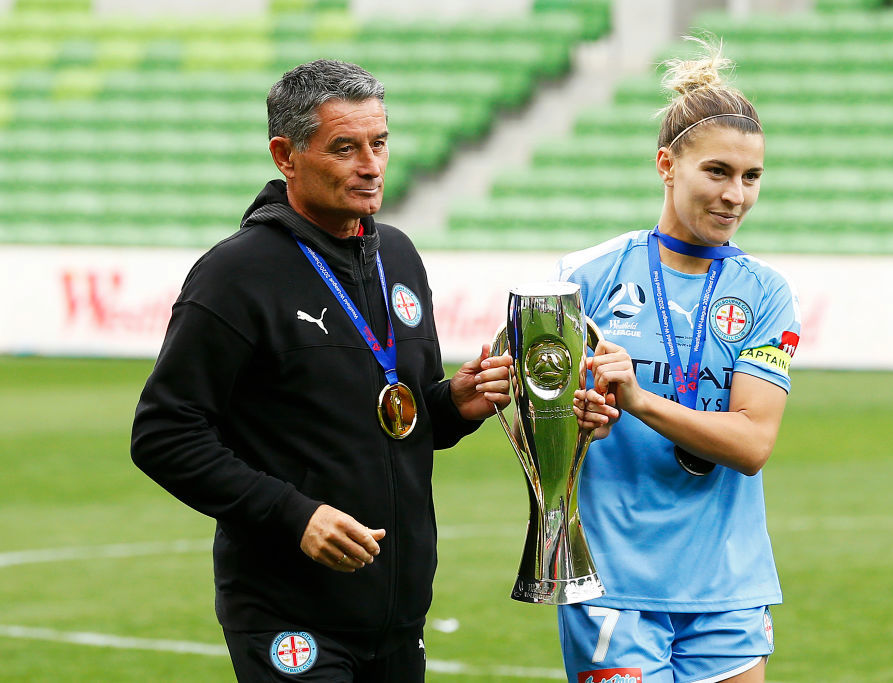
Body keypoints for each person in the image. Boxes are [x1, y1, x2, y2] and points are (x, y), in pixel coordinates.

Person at [130, 59, 511, 682]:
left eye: (379, 143)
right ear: (286, 155)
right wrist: (294, 514)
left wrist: (451, 406)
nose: (371, 164)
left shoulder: (399, 255)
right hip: (289, 615)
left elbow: (391, 421)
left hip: (397, 614)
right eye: (345, 148)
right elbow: (164, 433)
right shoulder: (236, 275)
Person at [554, 36, 801, 683]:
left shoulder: (766, 294)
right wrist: (576, 420)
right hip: (612, 583)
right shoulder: (585, 279)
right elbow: (537, 425)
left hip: (728, 586)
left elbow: (752, 442)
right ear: (667, 164)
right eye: (716, 172)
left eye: (751, 177)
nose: (735, 195)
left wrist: (637, 400)